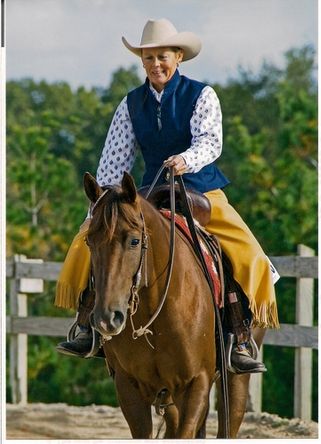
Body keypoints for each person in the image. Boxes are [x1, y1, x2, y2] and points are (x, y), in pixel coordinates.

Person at [55, 18, 279, 374]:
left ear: (178, 57)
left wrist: (185, 159)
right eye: (148, 58)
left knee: (251, 257)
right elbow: (114, 160)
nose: (155, 64)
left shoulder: (202, 95)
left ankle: (239, 335)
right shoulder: (129, 105)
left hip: (201, 190)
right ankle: (87, 325)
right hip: (146, 195)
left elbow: (210, 141)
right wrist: (97, 209)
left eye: (162, 56)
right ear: (141, 61)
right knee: (86, 244)